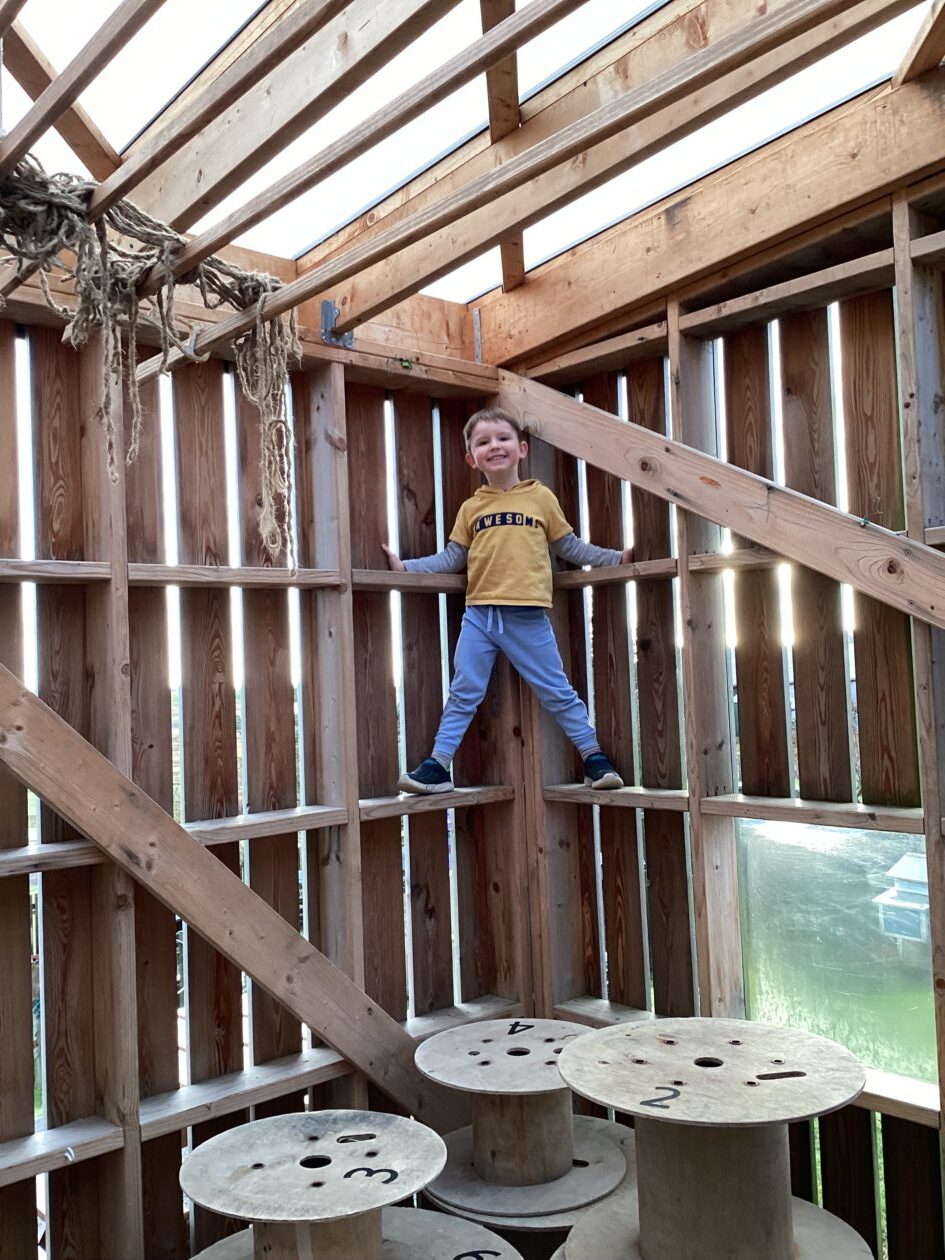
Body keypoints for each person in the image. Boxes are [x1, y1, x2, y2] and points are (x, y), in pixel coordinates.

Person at [383, 406, 632, 794]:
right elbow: (452, 558)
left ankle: (595, 759)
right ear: (472, 458)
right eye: (483, 442)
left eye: (502, 438)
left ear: (521, 449)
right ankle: (438, 766)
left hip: (527, 616)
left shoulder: (540, 498)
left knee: (557, 691)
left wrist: (616, 558)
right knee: (464, 692)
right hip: (479, 617)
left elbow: (570, 546)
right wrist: (407, 567)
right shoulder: (472, 508)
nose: (494, 446)